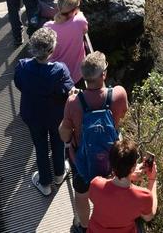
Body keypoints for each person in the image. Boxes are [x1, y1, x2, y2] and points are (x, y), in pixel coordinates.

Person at [60, 51, 130, 231]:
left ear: (84, 76)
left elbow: (64, 134)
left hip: (82, 160)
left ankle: (84, 226)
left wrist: (73, 100)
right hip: (111, 159)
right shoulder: (119, 94)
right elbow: (122, 115)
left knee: (82, 195)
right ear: (103, 74)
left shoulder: (73, 102)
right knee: (111, 192)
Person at [13, 27, 73, 197]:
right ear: (51, 50)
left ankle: (45, 183)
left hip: (32, 114)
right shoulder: (60, 70)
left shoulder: (22, 66)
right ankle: (59, 174)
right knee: (58, 142)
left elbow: (19, 84)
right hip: (55, 116)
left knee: (40, 146)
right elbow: (67, 92)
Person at [85, 139, 158, 233]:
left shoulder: (96, 184)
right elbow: (149, 216)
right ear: (133, 167)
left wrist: (128, 174)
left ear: (111, 162)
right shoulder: (143, 196)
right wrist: (152, 180)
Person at [42, 0, 90, 85]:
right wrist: (78, 13)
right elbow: (85, 30)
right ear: (75, 9)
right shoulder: (79, 21)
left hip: (55, 75)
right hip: (76, 74)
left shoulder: (47, 27)